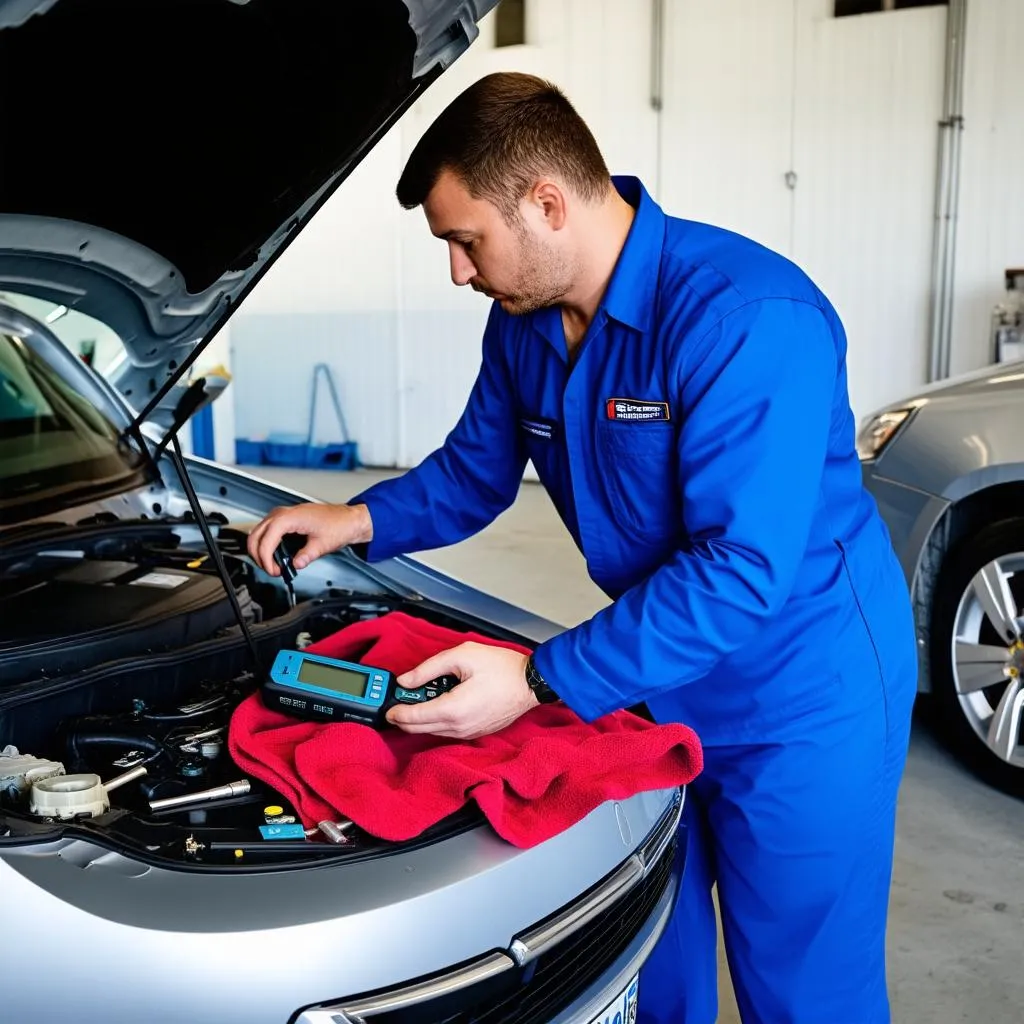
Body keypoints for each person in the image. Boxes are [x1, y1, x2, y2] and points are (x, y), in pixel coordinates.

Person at [248, 72, 918, 1024]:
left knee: (804, 985)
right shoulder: (522, 326)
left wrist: (537, 678)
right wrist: (353, 521)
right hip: (646, 675)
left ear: (547, 204)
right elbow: (476, 471)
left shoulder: (745, 318)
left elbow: (740, 574)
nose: (460, 272)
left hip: (800, 694)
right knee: (653, 957)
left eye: (464, 240)